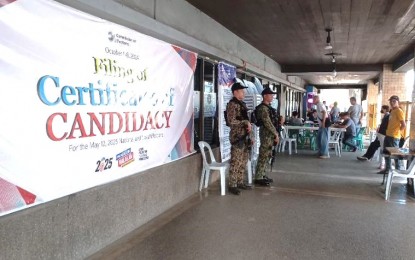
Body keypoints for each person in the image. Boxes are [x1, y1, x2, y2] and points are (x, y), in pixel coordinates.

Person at [226, 82, 253, 195]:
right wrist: (245, 122)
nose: (244, 92)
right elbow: (231, 121)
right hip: (237, 138)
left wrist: (251, 136)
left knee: (243, 161)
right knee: (235, 162)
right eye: (242, 91)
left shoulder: (242, 104)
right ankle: (232, 185)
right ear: (235, 92)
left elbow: (248, 123)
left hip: (245, 137)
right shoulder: (232, 104)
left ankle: (240, 181)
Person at [254, 87, 279, 186]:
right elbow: (267, 123)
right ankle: (258, 177)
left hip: (270, 135)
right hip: (266, 135)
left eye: (273, 95)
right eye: (270, 95)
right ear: (265, 96)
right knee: (263, 156)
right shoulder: (263, 108)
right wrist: (275, 134)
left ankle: (262, 174)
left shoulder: (268, 107)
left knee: (268, 155)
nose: (272, 97)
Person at [378, 95, 406, 175]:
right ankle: (387, 169)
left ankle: (398, 170)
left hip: (394, 137)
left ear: (398, 102)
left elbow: (403, 125)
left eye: (394, 101)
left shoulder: (399, 111)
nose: (392, 103)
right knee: (386, 152)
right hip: (388, 135)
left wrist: (397, 132)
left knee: (395, 154)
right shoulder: (392, 111)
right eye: (391, 101)